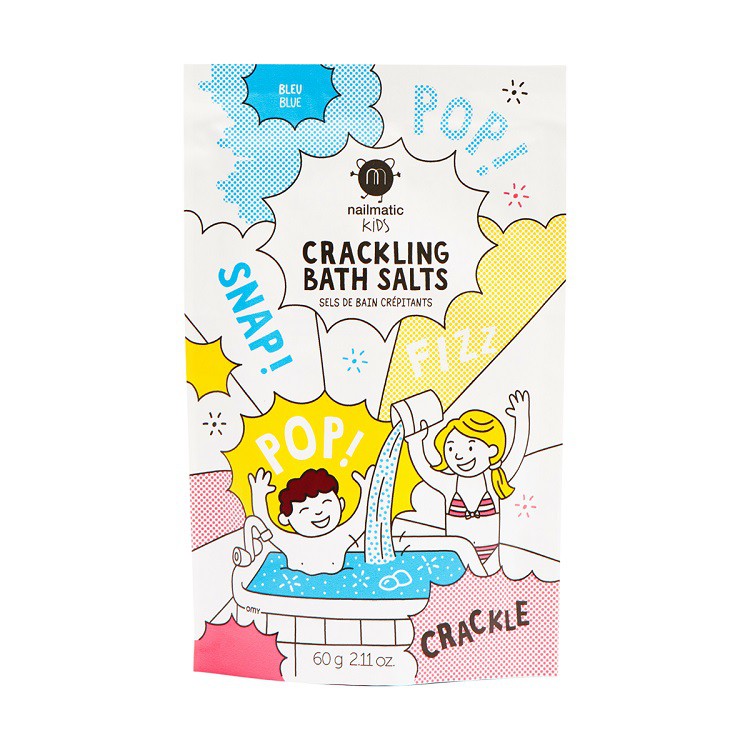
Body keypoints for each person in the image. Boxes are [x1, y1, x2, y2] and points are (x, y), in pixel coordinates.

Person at [405, 390, 530, 575]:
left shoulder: (495, 478)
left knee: (490, 585)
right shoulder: (449, 484)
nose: (459, 455)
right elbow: (424, 469)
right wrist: (415, 441)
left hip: (491, 556)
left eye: (470, 447)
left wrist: (522, 419)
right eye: (451, 448)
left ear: (492, 450)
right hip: (456, 556)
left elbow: (517, 453)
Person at [246, 466, 374, 575]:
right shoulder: (291, 543)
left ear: (341, 504)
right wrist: (258, 495)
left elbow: (361, 519)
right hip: (295, 588)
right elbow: (265, 524)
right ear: (285, 519)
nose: (319, 512)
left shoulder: (341, 537)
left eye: (326, 502)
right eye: (305, 509)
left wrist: (368, 491)